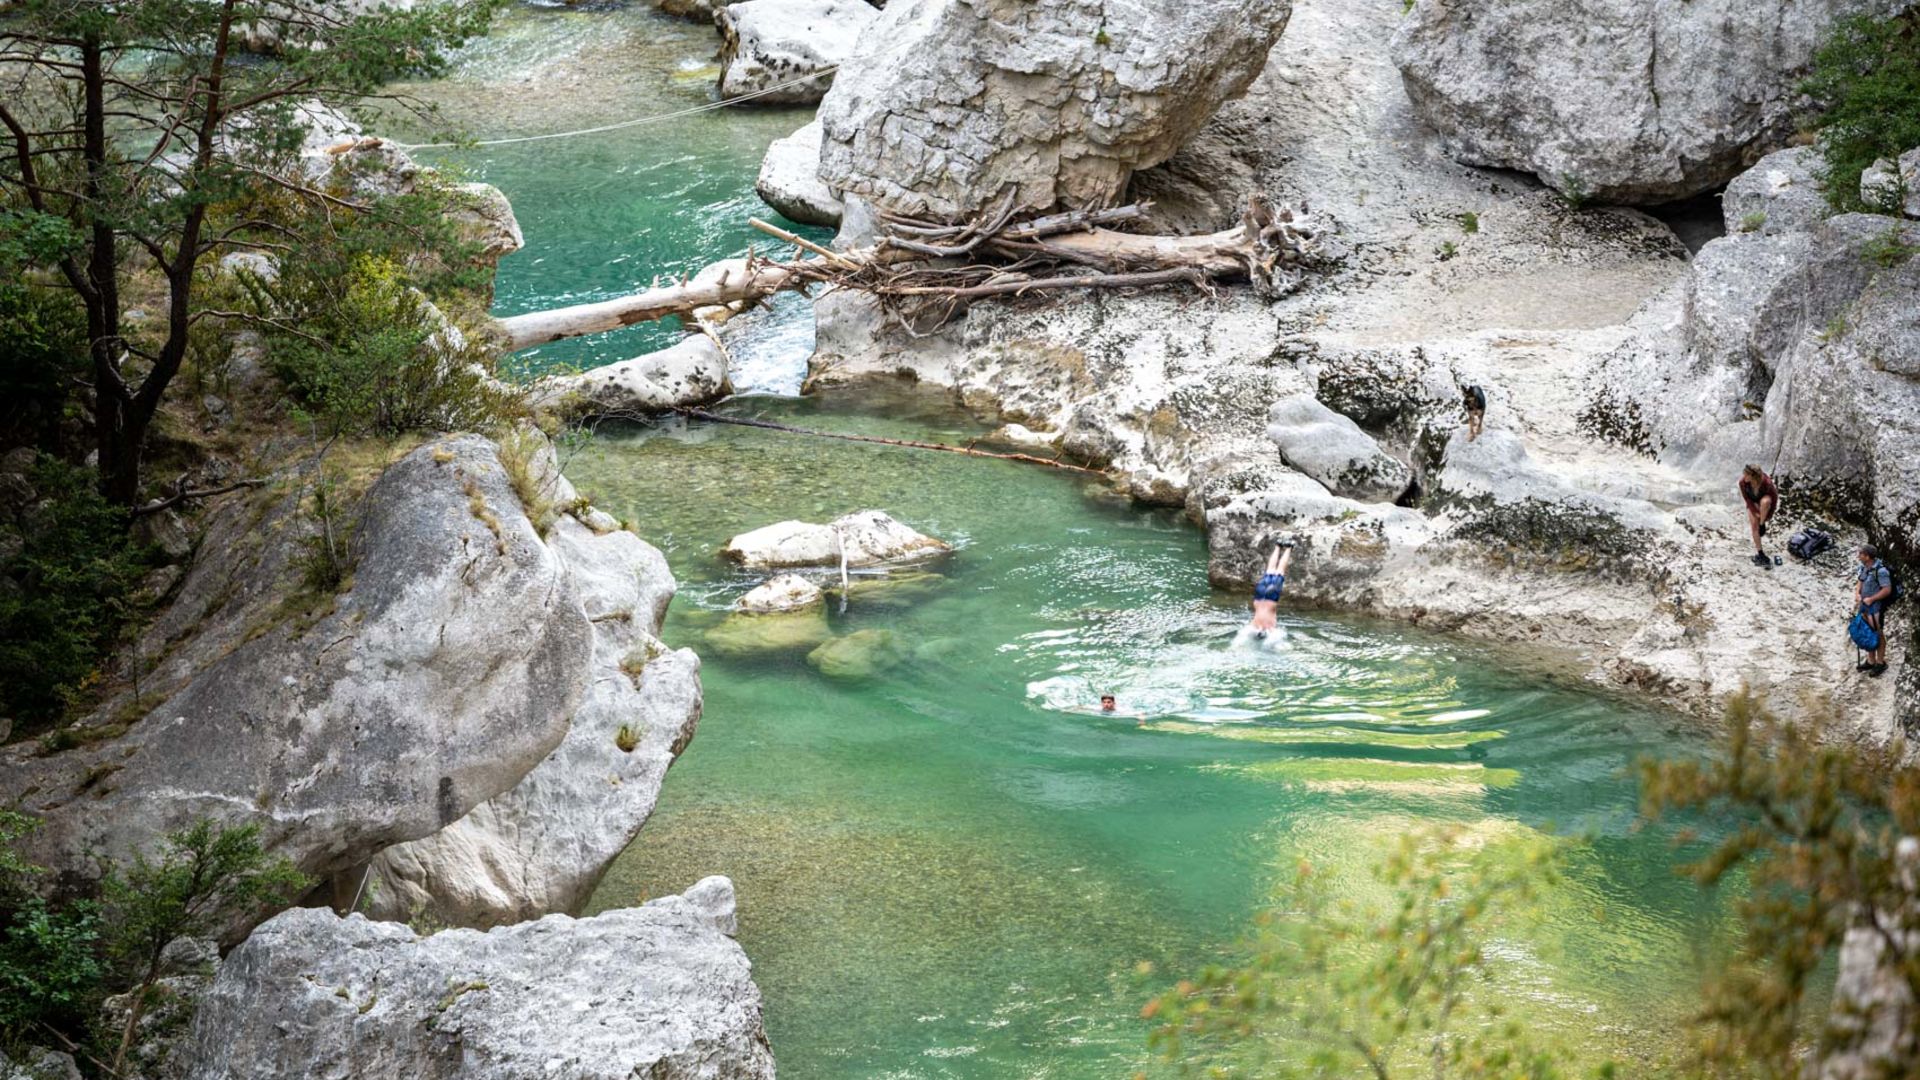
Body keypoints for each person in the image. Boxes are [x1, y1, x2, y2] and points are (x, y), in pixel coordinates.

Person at [1855, 544, 1893, 676]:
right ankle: (1871, 661)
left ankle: (1880, 662)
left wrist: (1871, 599)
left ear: (1867, 556)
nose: (1859, 556)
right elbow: (1860, 581)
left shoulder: (1881, 571)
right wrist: (1857, 594)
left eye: (1861, 554)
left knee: (1878, 633)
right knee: (1867, 632)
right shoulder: (1865, 567)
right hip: (1864, 607)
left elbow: (1887, 590)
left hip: (1875, 609)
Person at [1249, 540, 1295, 635]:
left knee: (1280, 571)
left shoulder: (1269, 628)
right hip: (1259, 597)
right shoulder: (1253, 626)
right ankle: (1278, 546)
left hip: (1271, 598)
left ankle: (1289, 547)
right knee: (1270, 570)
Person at [1739, 464, 1778, 567]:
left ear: (1753, 476)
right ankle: (1760, 553)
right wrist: (1754, 511)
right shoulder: (1743, 483)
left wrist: (1767, 516)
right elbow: (1747, 499)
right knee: (1754, 526)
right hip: (1753, 502)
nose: (1744, 477)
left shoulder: (1766, 482)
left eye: (1746, 475)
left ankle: (1762, 524)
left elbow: (1774, 500)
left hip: (1764, 500)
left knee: (1766, 502)